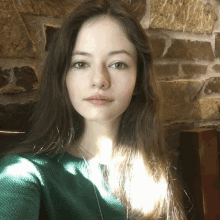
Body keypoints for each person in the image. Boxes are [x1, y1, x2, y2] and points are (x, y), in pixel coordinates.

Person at [0, 0, 187, 219]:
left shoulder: (154, 173)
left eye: (118, 64)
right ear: (63, 78)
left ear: (139, 80)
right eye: (81, 63)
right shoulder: (23, 173)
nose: (99, 80)